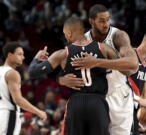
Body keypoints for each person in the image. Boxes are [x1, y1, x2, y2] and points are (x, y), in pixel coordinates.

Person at [28, 16, 122, 135]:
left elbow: (32, 72)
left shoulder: (62, 54)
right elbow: (124, 66)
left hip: (76, 102)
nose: (66, 37)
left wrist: (36, 58)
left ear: (69, 33)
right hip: (98, 102)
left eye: (65, 34)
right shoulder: (103, 48)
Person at [58, 4, 138, 135]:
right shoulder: (82, 40)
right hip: (94, 97)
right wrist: (63, 80)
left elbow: (132, 64)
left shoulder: (118, 36)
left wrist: (97, 62)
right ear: (91, 21)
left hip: (117, 95)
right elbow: (63, 66)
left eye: (108, 19)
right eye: (101, 20)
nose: (106, 24)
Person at [0, 42, 47, 135]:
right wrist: (38, 112)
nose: (23, 57)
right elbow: (18, 100)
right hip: (8, 114)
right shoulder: (12, 73)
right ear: (9, 55)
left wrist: (36, 59)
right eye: (19, 54)